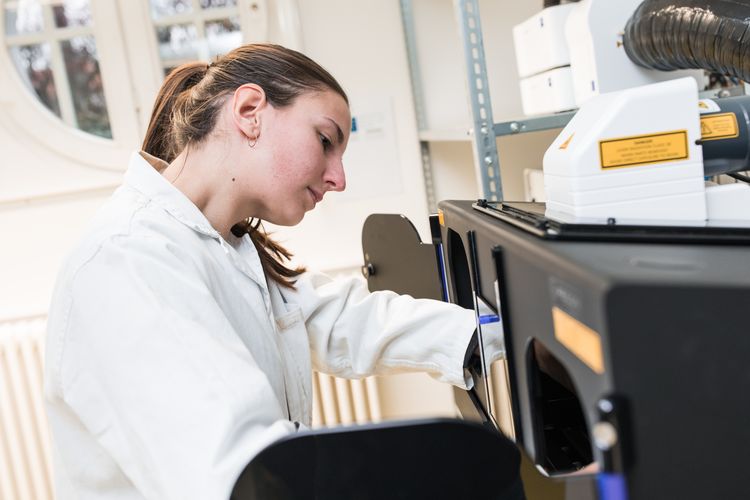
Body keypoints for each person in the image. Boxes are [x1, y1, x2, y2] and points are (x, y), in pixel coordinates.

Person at [44, 43, 504, 499]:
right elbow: (243, 472)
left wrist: (505, 329)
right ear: (249, 111)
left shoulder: (224, 244)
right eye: (325, 141)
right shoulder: (128, 260)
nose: (338, 179)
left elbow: (344, 319)